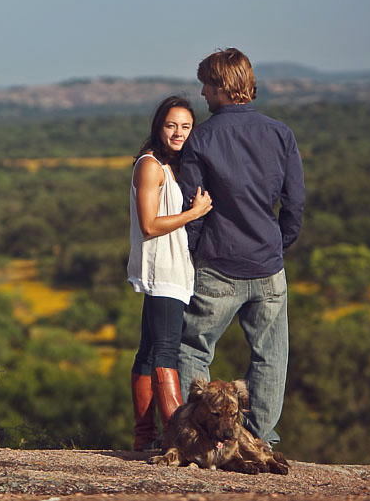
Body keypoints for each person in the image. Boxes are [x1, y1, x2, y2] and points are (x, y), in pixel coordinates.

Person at [177, 48, 305, 448]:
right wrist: (278, 245)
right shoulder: (280, 133)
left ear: (222, 86)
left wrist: (193, 255)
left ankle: (195, 436)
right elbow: (295, 203)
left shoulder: (202, 137)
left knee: (192, 349)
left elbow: (192, 208)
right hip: (268, 265)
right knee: (270, 356)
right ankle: (259, 439)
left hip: (217, 264)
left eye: (206, 85)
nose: (201, 92)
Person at [127, 95, 213, 451]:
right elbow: (149, 225)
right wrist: (195, 214)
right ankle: (178, 441)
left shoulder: (170, 165)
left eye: (186, 126)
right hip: (163, 271)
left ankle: (145, 438)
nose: (179, 132)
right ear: (159, 126)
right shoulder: (150, 165)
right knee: (165, 352)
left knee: (149, 353)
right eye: (171, 125)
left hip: (172, 271)